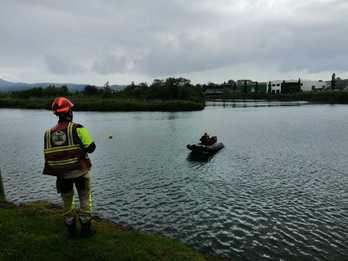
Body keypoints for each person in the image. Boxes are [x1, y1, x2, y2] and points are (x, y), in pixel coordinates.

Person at [43, 97, 96, 237]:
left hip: (61, 174)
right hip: (80, 171)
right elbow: (91, 148)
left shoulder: (48, 133)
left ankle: (71, 230)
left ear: (56, 114)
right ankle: (85, 229)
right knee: (85, 198)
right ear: (69, 112)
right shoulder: (78, 128)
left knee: (67, 200)